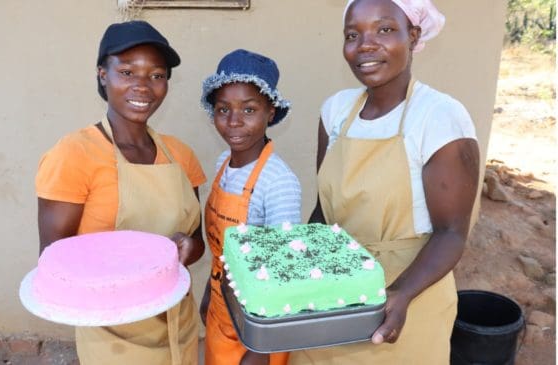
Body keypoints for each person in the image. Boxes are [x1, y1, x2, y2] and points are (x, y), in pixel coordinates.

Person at [288, 0, 480, 364]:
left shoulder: (439, 117)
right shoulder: (335, 111)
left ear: (414, 35)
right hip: (333, 289)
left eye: (385, 29)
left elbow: (452, 232)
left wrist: (401, 294)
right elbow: (322, 210)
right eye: (352, 34)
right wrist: (297, 272)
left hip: (408, 296)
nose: (366, 44)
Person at [35, 20, 205, 365]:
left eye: (157, 75)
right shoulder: (74, 154)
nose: (143, 86)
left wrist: (188, 248)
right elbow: (54, 260)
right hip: (112, 335)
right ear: (102, 75)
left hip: (178, 324)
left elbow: (197, 240)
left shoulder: (181, 155)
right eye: (127, 72)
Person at [199, 49, 301, 365]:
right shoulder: (221, 165)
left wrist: (261, 349)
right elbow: (221, 250)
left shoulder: (278, 182)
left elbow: (286, 273)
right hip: (221, 310)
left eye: (249, 110)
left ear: (270, 112)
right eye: (223, 109)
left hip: (260, 324)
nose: (234, 122)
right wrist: (208, 293)